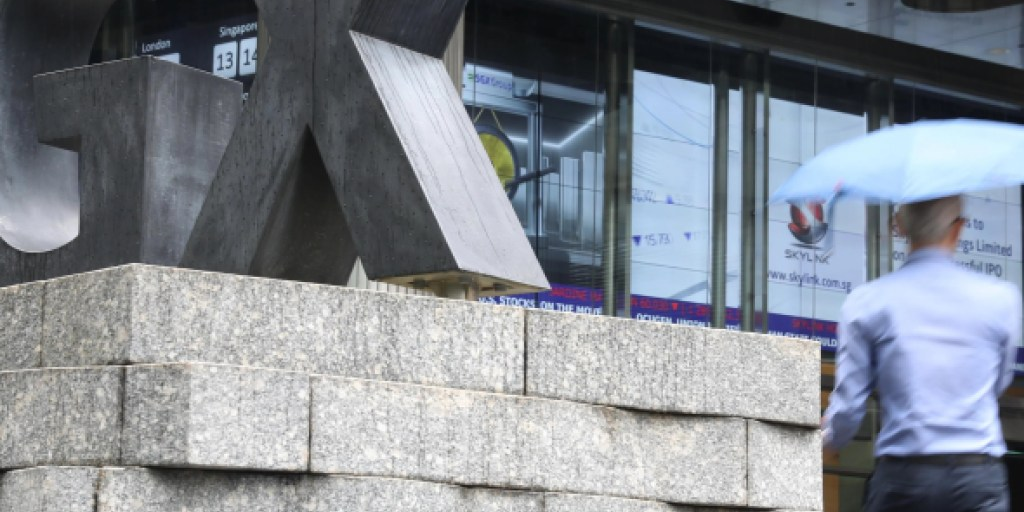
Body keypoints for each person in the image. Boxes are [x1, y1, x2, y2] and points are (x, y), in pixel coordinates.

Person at [822, 195, 1021, 512]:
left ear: (899, 225)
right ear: (959, 228)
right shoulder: (1002, 298)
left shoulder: (868, 301)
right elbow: (997, 384)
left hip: (904, 479)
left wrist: (827, 440)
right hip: (978, 478)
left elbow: (849, 405)